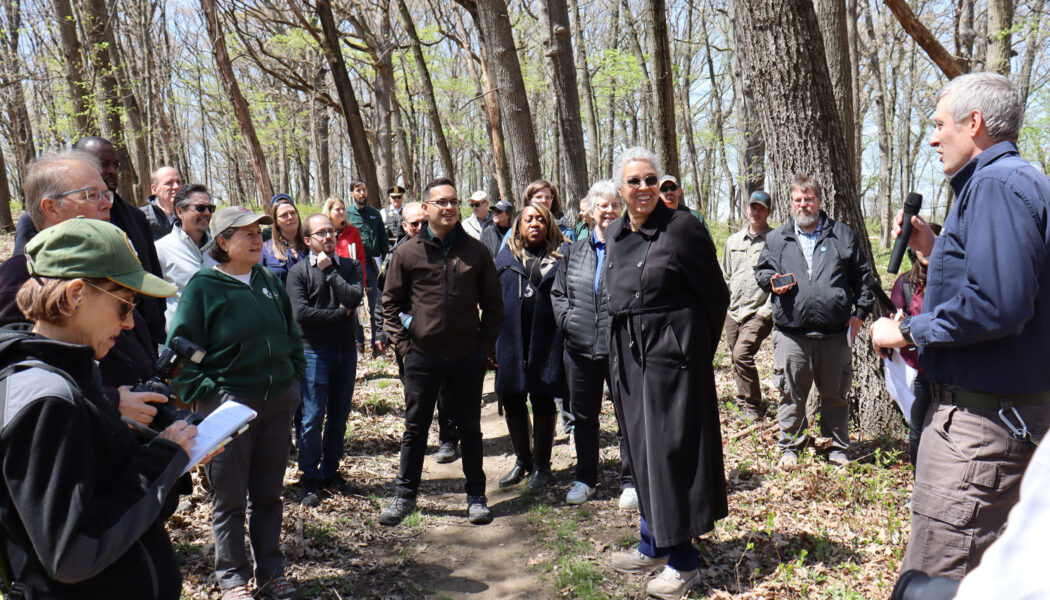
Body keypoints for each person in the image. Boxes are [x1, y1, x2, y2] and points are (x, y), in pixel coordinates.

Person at [870, 72, 1050, 580]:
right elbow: (1007, 282)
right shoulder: (1018, 184)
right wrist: (937, 245)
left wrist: (906, 332)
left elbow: (999, 303)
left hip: (980, 435)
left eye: (939, 125)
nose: (931, 138)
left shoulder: (995, 185)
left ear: (974, 123)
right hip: (1003, 424)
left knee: (937, 580)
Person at [0, 217, 194, 598]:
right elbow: (73, 551)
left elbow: (105, 496)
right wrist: (160, 460)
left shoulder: (74, 376)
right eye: (125, 305)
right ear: (75, 294)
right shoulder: (47, 399)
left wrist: (169, 456)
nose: (128, 324)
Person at [604, 148, 729, 600]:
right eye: (633, 181)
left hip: (672, 362)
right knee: (640, 452)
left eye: (650, 179)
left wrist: (688, 351)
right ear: (621, 188)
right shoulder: (616, 233)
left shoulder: (683, 229)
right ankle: (651, 544)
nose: (643, 188)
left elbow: (716, 298)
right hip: (628, 358)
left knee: (672, 457)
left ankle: (684, 562)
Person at [167, 207, 305, 600]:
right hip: (227, 408)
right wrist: (211, 393)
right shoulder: (204, 287)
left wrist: (292, 380)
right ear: (222, 243)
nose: (256, 237)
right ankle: (232, 579)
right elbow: (178, 355)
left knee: (268, 494)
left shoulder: (266, 280)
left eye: (258, 231)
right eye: (244, 232)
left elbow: (291, 335)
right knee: (228, 498)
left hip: (277, 403)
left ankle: (271, 574)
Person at [0, 150, 170, 430]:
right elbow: (19, 368)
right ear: (50, 207)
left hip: (138, 430)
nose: (107, 205)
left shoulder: (109, 264)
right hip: (84, 432)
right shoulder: (26, 272)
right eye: (92, 195)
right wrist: (110, 399)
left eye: (107, 195)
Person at [378, 177, 503, 527]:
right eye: (441, 202)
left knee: (470, 428)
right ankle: (404, 495)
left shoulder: (476, 251)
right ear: (427, 208)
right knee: (415, 429)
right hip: (422, 356)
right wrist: (405, 348)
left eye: (453, 202)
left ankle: (476, 497)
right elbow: (390, 304)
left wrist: (483, 348)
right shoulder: (407, 251)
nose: (449, 207)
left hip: (466, 357)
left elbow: (494, 304)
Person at [754, 173, 874, 468]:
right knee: (790, 394)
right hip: (791, 334)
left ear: (820, 201)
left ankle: (837, 448)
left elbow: (865, 279)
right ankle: (790, 447)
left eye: (809, 199)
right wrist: (771, 281)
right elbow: (761, 272)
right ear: (791, 203)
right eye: (798, 200)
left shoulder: (842, 235)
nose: (803, 205)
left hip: (834, 334)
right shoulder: (776, 238)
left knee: (835, 395)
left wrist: (859, 316)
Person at [551, 180, 630, 506]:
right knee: (583, 418)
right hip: (580, 349)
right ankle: (586, 479)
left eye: (614, 205)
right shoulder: (575, 251)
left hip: (621, 349)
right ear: (591, 211)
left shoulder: (631, 247)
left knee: (628, 417)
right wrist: (569, 323)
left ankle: (631, 482)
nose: (609, 210)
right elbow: (558, 294)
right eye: (603, 205)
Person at [373, 202, 462, 464]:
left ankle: (448, 439)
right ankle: (416, 441)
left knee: (446, 392)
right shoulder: (396, 254)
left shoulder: (445, 249)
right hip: (409, 340)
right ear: (404, 226)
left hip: (442, 337)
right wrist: (384, 333)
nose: (421, 227)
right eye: (415, 224)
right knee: (415, 394)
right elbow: (384, 298)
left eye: (424, 222)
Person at [287, 214, 363, 507]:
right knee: (312, 417)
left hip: (345, 351)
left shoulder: (349, 266)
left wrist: (331, 272)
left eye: (331, 231)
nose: (329, 236)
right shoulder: (298, 272)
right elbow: (301, 315)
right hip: (313, 352)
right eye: (321, 233)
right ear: (308, 240)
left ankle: (331, 471)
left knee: (339, 416)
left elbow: (354, 297)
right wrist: (338, 315)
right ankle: (309, 477)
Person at [493, 203, 567, 490]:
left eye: (540, 220)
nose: (534, 224)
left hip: (546, 342)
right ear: (519, 227)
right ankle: (522, 460)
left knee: (543, 398)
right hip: (511, 341)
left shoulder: (561, 259)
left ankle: (542, 466)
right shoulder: (504, 259)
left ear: (548, 225)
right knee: (512, 398)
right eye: (528, 220)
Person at [888, 223, 940, 467]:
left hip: (955, 372)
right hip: (920, 368)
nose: (926, 251)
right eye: (921, 247)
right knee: (918, 428)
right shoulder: (906, 283)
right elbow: (893, 318)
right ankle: (919, 480)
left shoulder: (957, 279)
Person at [721, 190, 774, 421]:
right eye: (753, 207)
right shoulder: (733, 241)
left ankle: (752, 407)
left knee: (742, 354)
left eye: (761, 208)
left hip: (759, 310)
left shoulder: (776, 240)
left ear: (769, 212)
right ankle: (743, 403)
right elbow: (725, 275)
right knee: (736, 356)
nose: (756, 212)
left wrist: (766, 312)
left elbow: (783, 279)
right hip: (734, 310)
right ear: (747, 209)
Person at [155, 183, 218, 329]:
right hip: (179, 341)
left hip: (218, 341)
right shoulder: (161, 250)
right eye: (200, 208)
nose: (207, 213)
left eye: (210, 208)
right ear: (180, 212)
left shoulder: (219, 249)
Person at [346, 180, 390, 356]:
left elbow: (383, 239)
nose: (362, 193)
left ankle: (377, 344)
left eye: (364, 190)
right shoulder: (347, 214)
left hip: (373, 265)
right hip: (355, 265)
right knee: (357, 305)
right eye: (358, 190)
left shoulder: (374, 214)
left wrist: (387, 261)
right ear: (352, 194)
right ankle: (358, 346)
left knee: (375, 306)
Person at [260, 194, 308, 283]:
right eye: (284, 215)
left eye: (293, 213)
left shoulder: (310, 245)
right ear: (276, 222)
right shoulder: (266, 250)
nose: (290, 217)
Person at [142, 166, 183, 240]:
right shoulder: (140, 217)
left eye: (178, 182)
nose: (176, 187)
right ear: (154, 189)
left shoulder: (189, 217)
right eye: (169, 183)